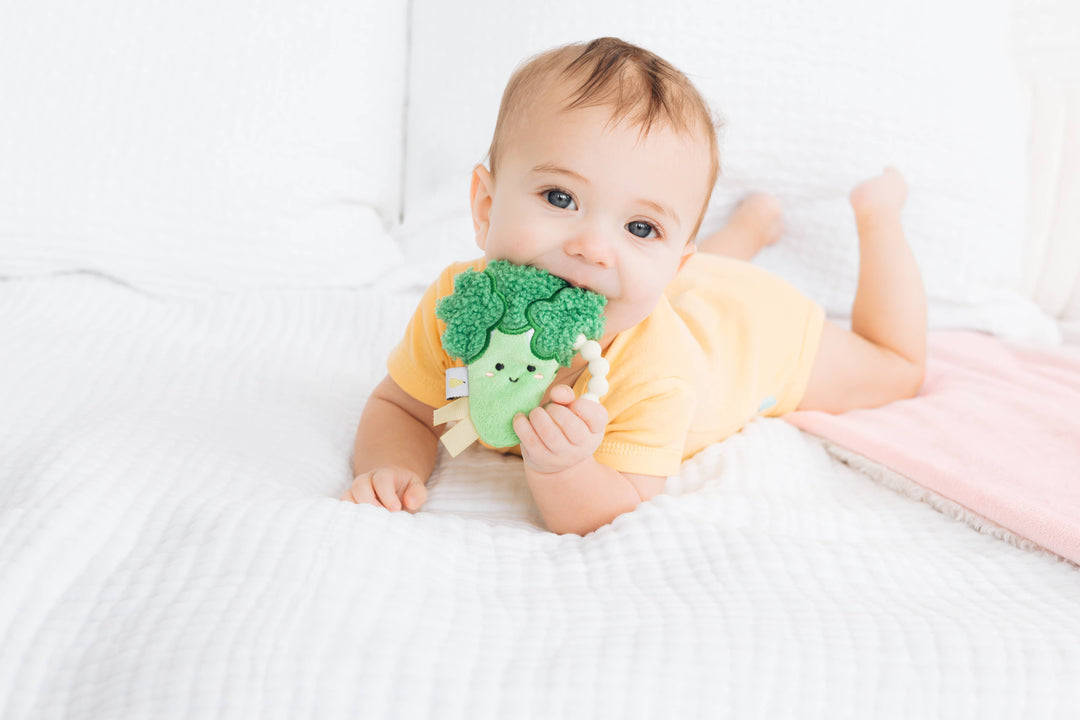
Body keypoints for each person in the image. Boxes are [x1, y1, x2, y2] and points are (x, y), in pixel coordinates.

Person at [341, 37, 927, 535]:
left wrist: (565, 469)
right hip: (672, 288)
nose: (592, 248)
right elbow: (402, 406)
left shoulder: (657, 370)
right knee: (645, 281)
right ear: (485, 205)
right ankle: (747, 228)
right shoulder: (457, 307)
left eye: (640, 226)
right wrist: (390, 467)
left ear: (676, 262)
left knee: (897, 368)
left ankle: (877, 216)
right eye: (560, 198)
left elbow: (619, 506)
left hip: (750, 331)